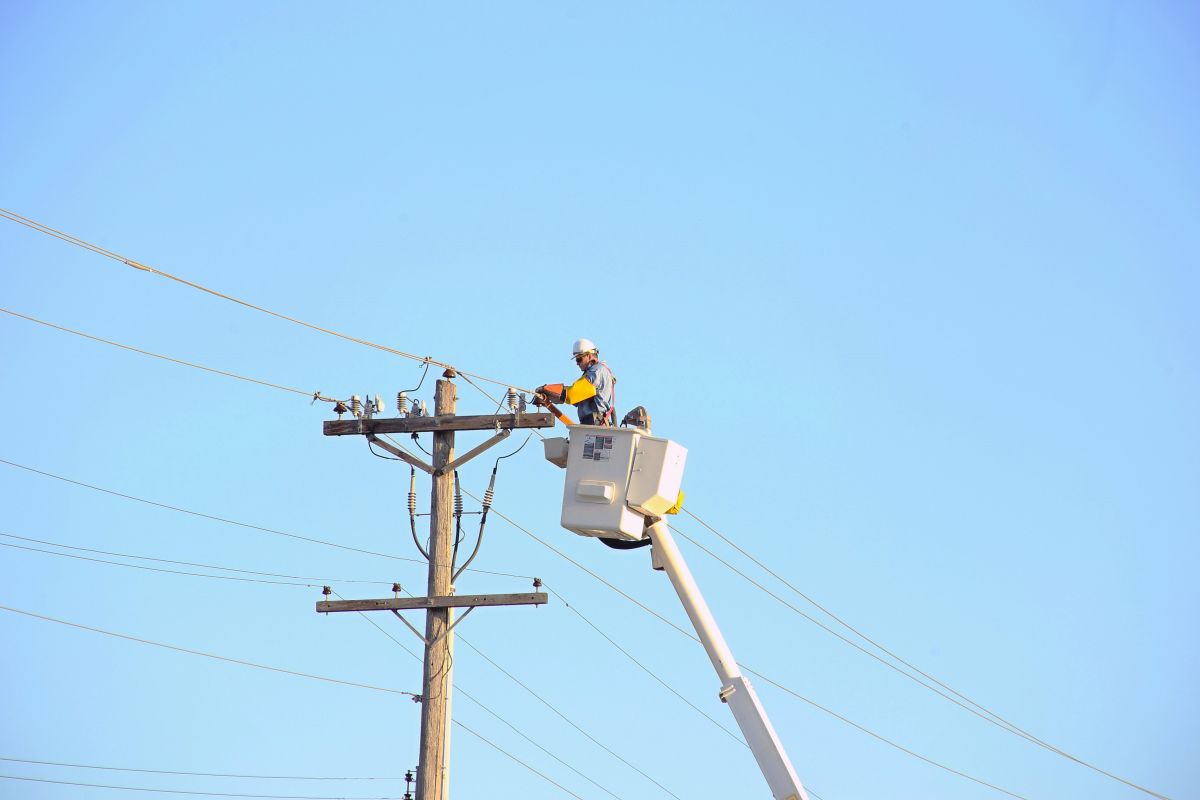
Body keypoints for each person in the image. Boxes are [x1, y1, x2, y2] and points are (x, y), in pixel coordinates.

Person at [535, 338, 617, 425]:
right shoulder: (594, 372)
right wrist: (549, 396)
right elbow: (575, 399)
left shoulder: (596, 371)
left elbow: (572, 394)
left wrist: (547, 389)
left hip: (595, 423)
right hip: (592, 422)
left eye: (579, 359)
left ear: (589, 356)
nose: (577, 363)